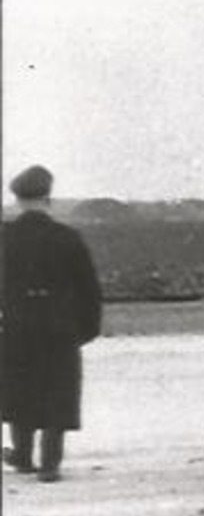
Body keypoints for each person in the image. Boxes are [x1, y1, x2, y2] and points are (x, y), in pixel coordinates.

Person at [2, 165, 102, 483]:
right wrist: (84, 330)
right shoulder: (68, 238)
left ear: (17, 199)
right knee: (58, 390)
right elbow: (90, 291)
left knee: (20, 388)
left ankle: (22, 456)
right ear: (48, 198)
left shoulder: (5, 238)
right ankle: (50, 464)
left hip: (16, 325)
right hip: (60, 327)